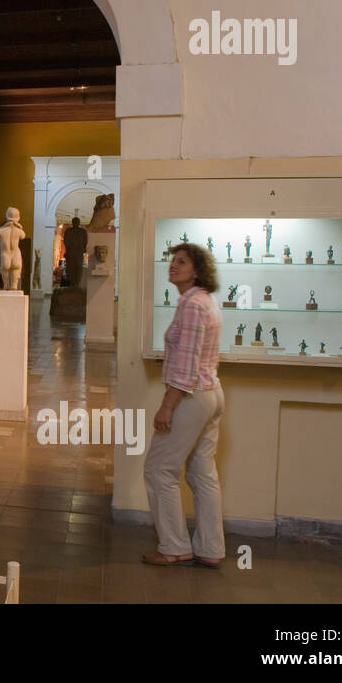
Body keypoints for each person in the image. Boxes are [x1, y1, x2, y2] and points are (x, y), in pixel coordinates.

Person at [142, 243, 225, 568]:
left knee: (159, 469)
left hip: (192, 396)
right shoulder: (204, 301)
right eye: (172, 261)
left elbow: (186, 364)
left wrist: (167, 406)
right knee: (203, 474)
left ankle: (174, 546)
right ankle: (210, 548)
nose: (173, 266)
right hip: (211, 392)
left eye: (181, 262)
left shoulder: (192, 305)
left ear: (198, 269)